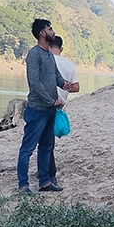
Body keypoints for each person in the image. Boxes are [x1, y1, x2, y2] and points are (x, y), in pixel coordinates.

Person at [18, 19, 66, 193]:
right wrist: (51, 101)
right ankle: (23, 185)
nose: (53, 31)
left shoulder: (48, 55)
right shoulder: (34, 54)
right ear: (42, 33)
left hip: (50, 111)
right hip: (38, 110)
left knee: (46, 147)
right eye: (50, 29)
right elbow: (35, 83)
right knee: (28, 148)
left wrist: (65, 84)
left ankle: (44, 182)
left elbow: (56, 77)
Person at [44, 36, 80, 189]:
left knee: (43, 142)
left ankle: (49, 174)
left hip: (45, 104)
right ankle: (48, 173)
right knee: (48, 141)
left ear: (47, 46)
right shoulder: (69, 65)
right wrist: (65, 88)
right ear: (61, 48)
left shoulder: (45, 60)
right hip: (59, 105)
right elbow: (77, 87)